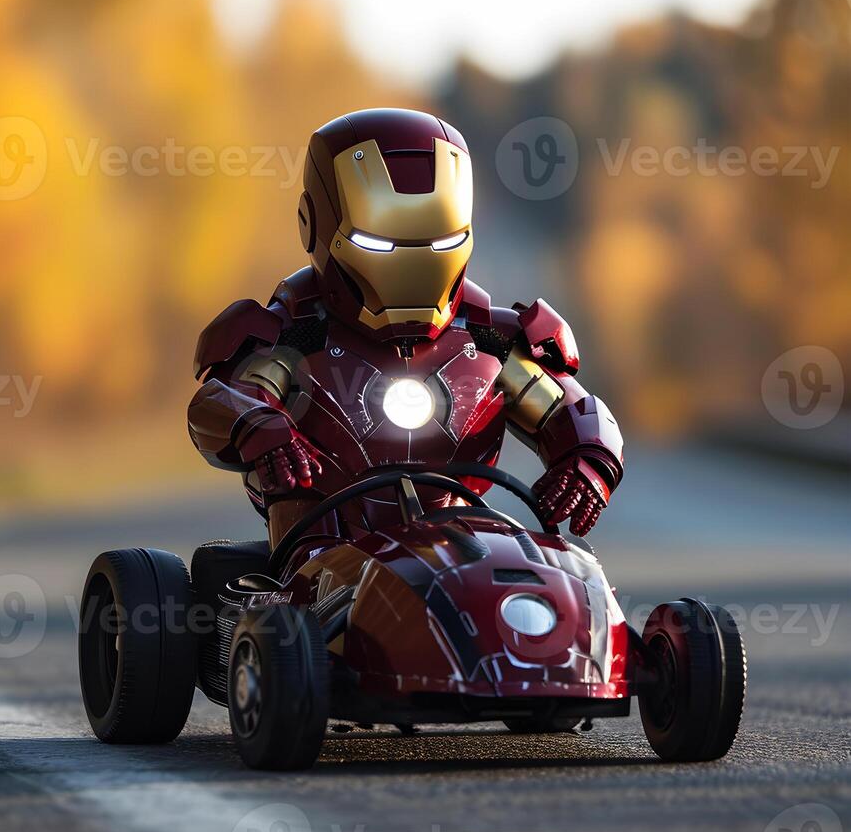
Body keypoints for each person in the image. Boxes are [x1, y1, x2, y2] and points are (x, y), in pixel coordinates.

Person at [187, 108, 623, 569]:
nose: (411, 263)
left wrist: (587, 461)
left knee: (569, 573)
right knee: (304, 599)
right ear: (317, 226)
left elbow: (572, 407)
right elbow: (219, 401)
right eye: (378, 242)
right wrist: (259, 428)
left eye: (440, 241)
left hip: (463, 540)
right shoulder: (294, 333)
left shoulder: (489, 338)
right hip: (318, 547)